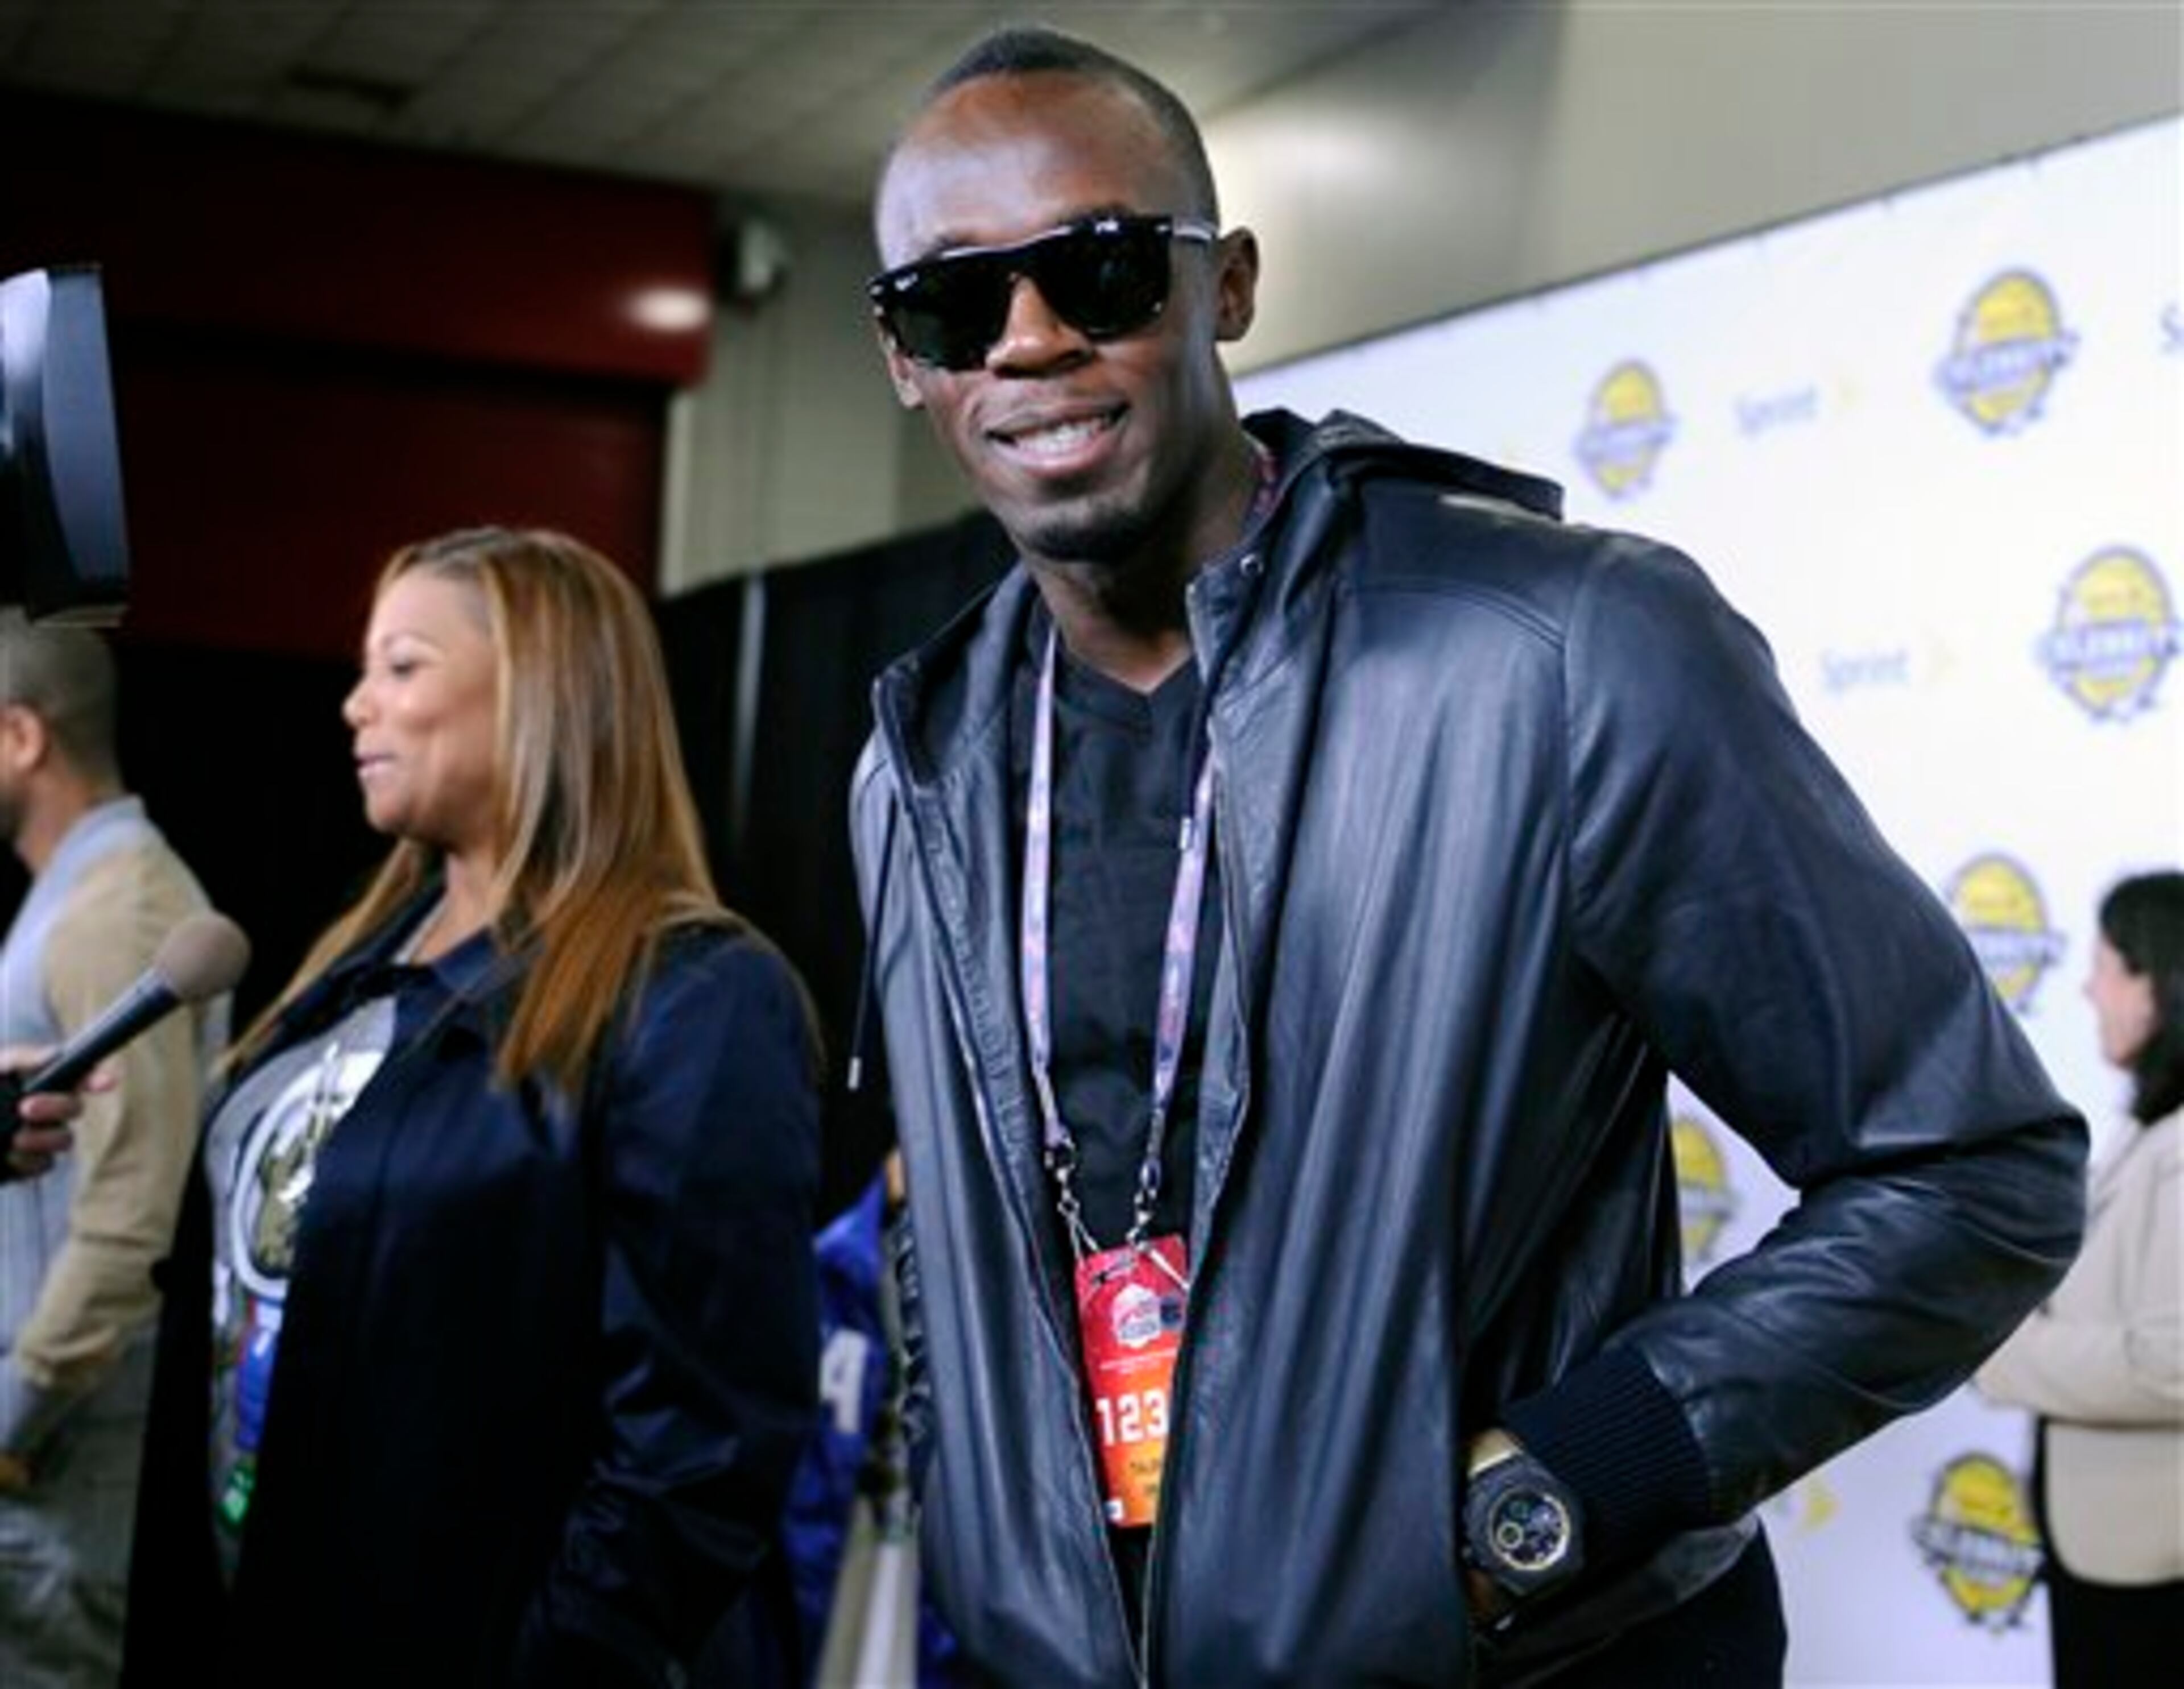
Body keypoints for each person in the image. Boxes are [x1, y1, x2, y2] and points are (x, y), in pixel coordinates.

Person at [846, 26, 2089, 1687]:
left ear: (1227, 288)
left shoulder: (1565, 650)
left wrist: (1551, 1499)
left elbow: (1971, 1170)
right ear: (905, 361)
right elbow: (961, 1220)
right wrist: (994, 1533)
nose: (1028, 339)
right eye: (954, 305)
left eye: (1102, 272)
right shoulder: (919, 764)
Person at [121, 528, 822, 1687]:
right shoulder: (355, 965)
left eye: (403, 667)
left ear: (541, 696)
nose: (355, 705)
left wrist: (554, 1658)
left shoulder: (693, 996)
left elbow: (698, 1444)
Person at [0, 610, 228, 1687]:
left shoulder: (115, 908)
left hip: (55, 1467)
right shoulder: (74, 899)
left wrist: (12, 1415)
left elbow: (136, 1208)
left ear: (22, 738)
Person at [1977, 871, 2183, 1687]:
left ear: (2159, 982)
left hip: (2152, 1563)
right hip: (2109, 1546)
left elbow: (2171, 1363)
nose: (2088, 989)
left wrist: (1997, 1350)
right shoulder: (2149, 1132)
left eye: (2105, 967)